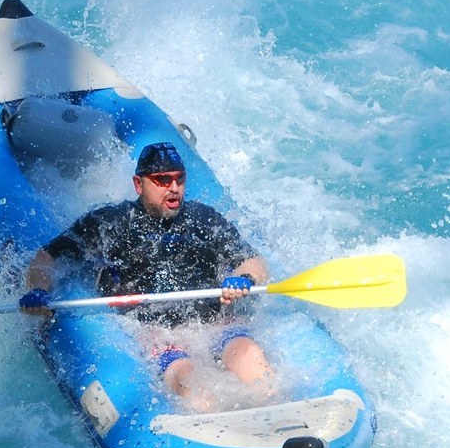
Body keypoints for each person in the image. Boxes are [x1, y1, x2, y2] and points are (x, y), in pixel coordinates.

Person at [19, 141, 274, 410]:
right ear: (139, 185)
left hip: (211, 324)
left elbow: (252, 260)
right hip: (157, 334)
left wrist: (245, 277)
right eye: (162, 180)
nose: (174, 188)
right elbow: (47, 257)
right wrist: (39, 290)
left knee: (250, 355)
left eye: (179, 180)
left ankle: (284, 422)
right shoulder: (111, 223)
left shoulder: (204, 220)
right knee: (189, 378)